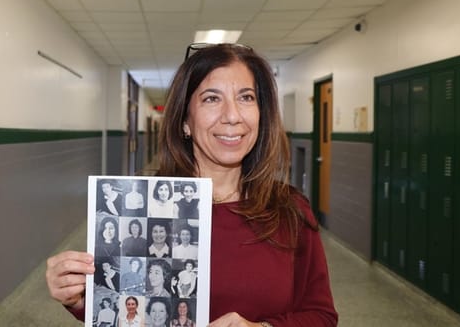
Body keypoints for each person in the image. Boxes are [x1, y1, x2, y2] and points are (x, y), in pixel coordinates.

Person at [46, 43, 338, 326]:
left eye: (246, 97)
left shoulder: (289, 209)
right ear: (185, 121)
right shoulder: (142, 207)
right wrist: (80, 299)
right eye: (212, 98)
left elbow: (321, 316)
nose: (233, 116)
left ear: (262, 115)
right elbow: (131, 309)